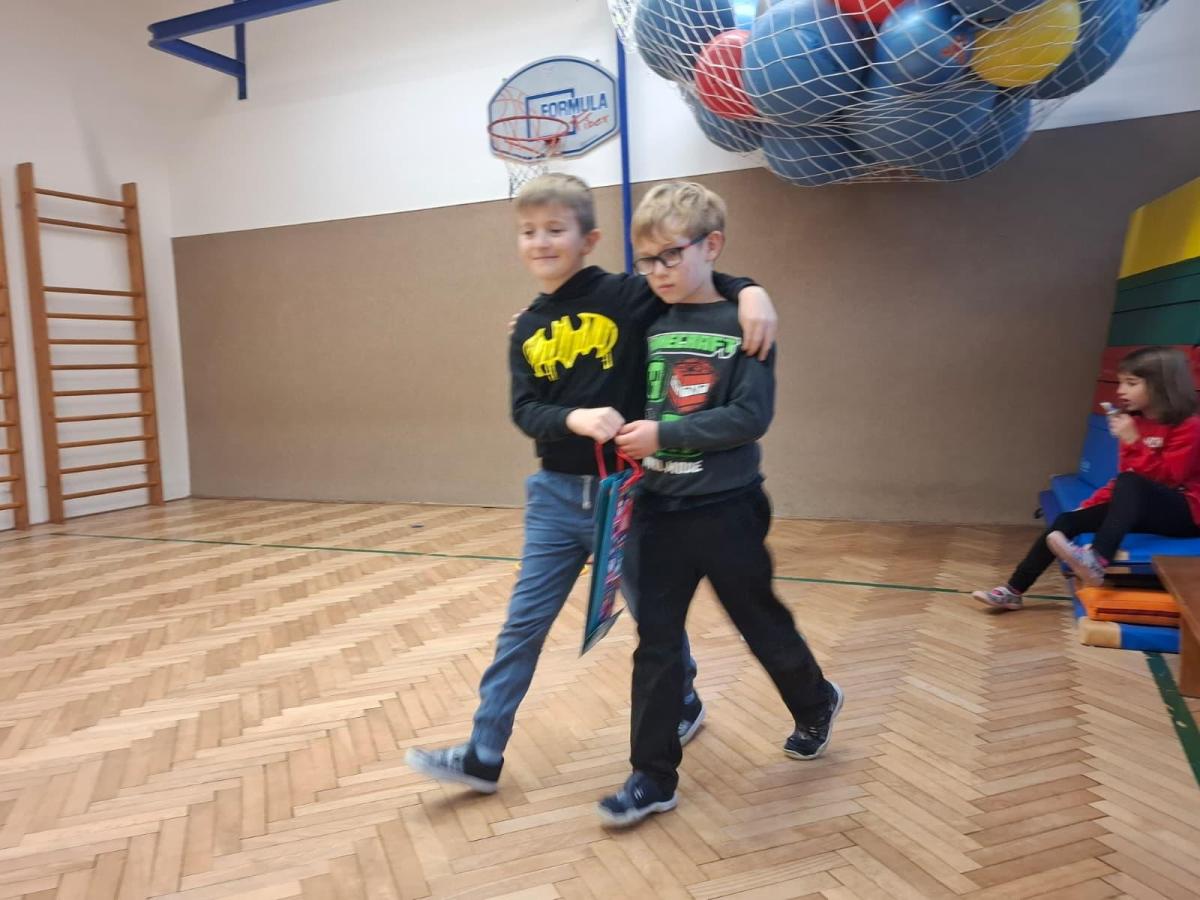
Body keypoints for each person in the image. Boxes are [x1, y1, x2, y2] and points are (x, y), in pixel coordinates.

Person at [405, 173, 778, 793]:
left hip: (630, 497)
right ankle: (483, 752)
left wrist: (752, 291)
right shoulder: (527, 327)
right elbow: (525, 410)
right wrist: (573, 418)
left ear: (589, 239)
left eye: (556, 229)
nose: (540, 242)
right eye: (528, 231)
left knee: (654, 621)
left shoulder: (626, 294)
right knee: (523, 624)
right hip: (554, 498)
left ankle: (684, 701)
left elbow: (692, 280)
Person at [596, 182, 841, 827]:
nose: (657, 272)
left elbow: (749, 417)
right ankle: (652, 776)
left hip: (728, 509)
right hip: (657, 511)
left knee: (760, 622)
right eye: (647, 260)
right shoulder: (648, 316)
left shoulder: (746, 322)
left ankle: (815, 701)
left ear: (712, 245)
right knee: (657, 643)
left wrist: (664, 433)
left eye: (670, 256)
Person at [975, 346, 1200, 610]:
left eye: (1131, 383)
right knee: (1067, 520)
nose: (1121, 391)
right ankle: (1014, 590)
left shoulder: (1189, 426)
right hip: (1150, 507)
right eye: (1120, 383)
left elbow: (1168, 479)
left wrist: (1134, 441)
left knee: (1131, 484)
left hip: (1188, 513)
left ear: (1160, 385)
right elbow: (1127, 479)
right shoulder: (1134, 424)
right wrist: (1089, 506)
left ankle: (1097, 560)